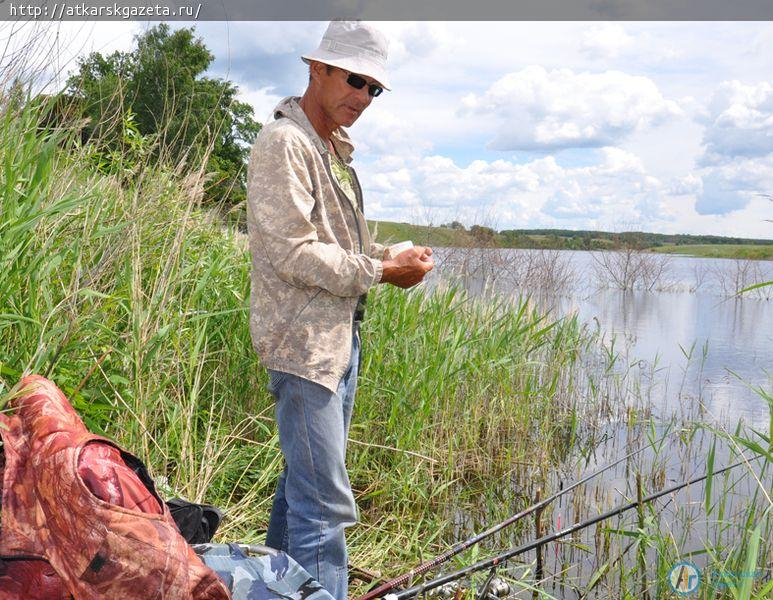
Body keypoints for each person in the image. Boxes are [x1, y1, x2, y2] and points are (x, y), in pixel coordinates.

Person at [245, 20, 434, 600]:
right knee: (324, 506)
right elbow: (293, 252)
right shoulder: (285, 144)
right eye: (355, 79)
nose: (363, 97)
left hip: (336, 343)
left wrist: (387, 256)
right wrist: (381, 272)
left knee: (301, 488)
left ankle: (271, 587)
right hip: (303, 349)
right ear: (317, 69)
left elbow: (336, 246)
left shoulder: (330, 150)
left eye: (375, 89)